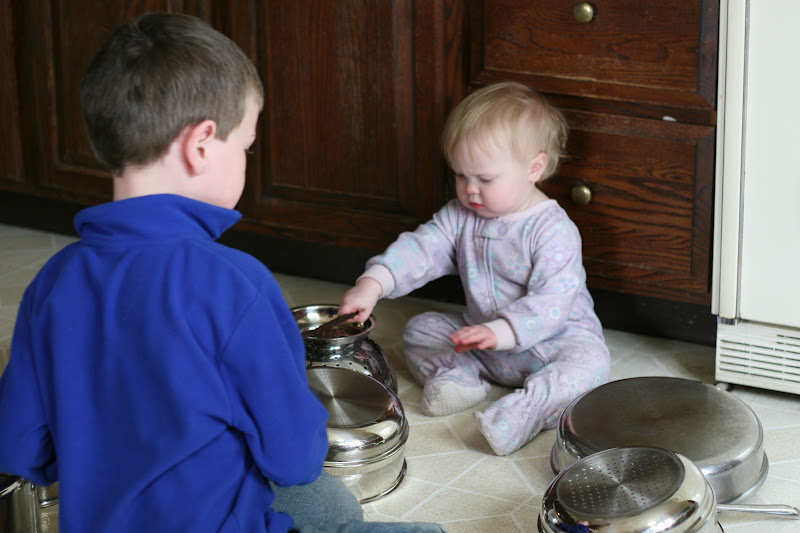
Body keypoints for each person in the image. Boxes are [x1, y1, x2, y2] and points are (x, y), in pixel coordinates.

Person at [0, 12, 443, 533]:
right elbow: (295, 460)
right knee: (360, 512)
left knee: (329, 506)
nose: (247, 159)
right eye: (246, 146)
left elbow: (22, 448)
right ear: (201, 144)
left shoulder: (51, 284)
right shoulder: (237, 283)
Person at [340, 82, 610, 456]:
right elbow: (422, 248)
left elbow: (553, 301)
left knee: (591, 366)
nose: (470, 190)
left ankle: (520, 414)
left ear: (534, 168)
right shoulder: (460, 215)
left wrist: (502, 331)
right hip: (482, 343)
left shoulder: (553, 230)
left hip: (556, 342)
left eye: (485, 179)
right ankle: (458, 379)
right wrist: (373, 283)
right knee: (420, 329)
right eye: (460, 175)